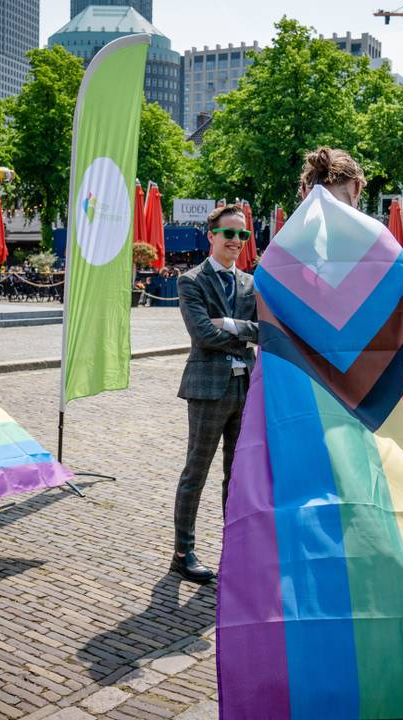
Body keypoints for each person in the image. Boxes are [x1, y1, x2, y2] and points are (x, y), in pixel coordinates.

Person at [171, 203, 259, 584]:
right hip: (207, 390)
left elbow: (267, 331)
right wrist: (244, 334)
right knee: (197, 471)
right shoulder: (191, 280)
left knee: (237, 476)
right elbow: (202, 335)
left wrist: (230, 324)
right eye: (230, 233)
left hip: (246, 387)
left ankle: (235, 550)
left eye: (243, 234)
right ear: (212, 235)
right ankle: (182, 551)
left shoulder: (251, 284)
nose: (237, 241)